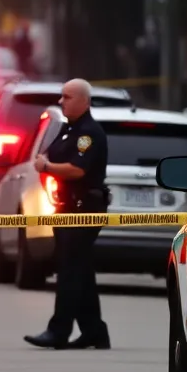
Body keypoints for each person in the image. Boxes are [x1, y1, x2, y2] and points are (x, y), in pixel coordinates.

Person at [24, 78, 112, 350]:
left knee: (70, 272)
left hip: (83, 209)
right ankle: (94, 331)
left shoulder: (88, 133)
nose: (61, 101)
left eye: (68, 96)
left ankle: (58, 331)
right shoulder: (68, 130)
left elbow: (78, 170)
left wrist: (47, 166)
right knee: (81, 271)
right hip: (67, 209)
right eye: (61, 96)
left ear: (84, 101)